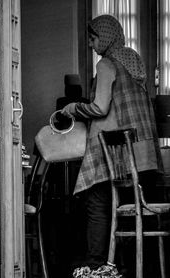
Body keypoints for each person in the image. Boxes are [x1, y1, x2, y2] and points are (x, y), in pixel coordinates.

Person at [61, 15, 162, 278]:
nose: (92, 45)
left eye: (94, 39)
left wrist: (74, 108)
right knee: (132, 208)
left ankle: (96, 266)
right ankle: (131, 266)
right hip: (143, 155)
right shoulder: (134, 60)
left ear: (105, 37)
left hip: (118, 152)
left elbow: (100, 107)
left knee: (96, 200)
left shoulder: (106, 64)